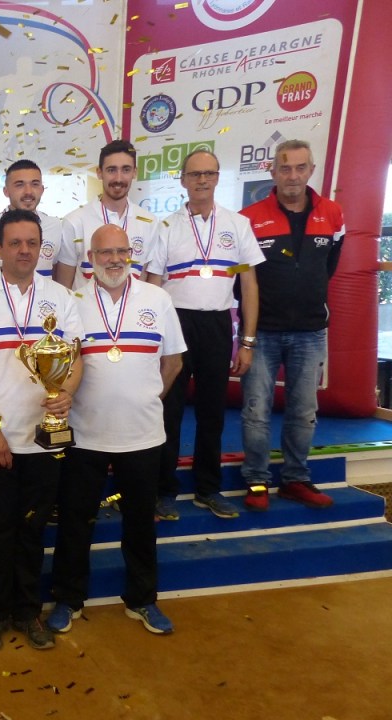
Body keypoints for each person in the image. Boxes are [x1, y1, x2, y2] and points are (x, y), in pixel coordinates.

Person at [0, 210, 84, 652]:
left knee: (32, 530)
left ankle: (28, 612)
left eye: (32, 243)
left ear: (41, 248)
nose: (24, 251)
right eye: (15, 243)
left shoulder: (61, 297)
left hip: (44, 437)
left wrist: (66, 394)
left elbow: (76, 358)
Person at [49, 225, 185, 636]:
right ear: (90, 258)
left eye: (121, 251)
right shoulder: (72, 302)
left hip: (142, 434)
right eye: (105, 252)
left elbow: (173, 362)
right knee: (76, 522)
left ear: (131, 255)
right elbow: (60, 364)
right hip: (85, 433)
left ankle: (142, 599)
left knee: (140, 522)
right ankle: (68, 598)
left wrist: (146, 397)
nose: (114, 259)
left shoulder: (158, 299)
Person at [146, 150, 264, 521]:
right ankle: (164, 491)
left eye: (209, 173)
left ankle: (207, 489)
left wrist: (247, 341)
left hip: (217, 325)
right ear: (182, 180)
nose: (202, 180)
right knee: (169, 411)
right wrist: (152, 340)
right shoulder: (166, 227)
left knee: (213, 412)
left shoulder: (237, 224)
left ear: (217, 177)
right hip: (176, 324)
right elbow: (152, 284)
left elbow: (248, 284)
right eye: (195, 174)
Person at [239, 139, 345, 510]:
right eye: (285, 168)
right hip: (262, 331)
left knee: (303, 410)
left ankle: (295, 479)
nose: (293, 176)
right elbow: (242, 279)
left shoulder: (333, 213)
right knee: (256, 409)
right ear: (273, 172)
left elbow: (329, 265)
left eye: (301, 168)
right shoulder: (249, 218)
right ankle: (256, 480)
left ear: (311, 170)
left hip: (311, 332)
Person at [56, 140, 162, 289]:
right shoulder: (74, 221)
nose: (118, 178)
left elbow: (143, 282)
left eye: (126, 170)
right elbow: (63, 288)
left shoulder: (149, 222)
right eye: (111, 170)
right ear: (99, 173)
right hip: (85, 305)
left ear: (134, 172)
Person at [0, 159, 63, 277]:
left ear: (42, 190)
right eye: (20, 185)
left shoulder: (55, 225)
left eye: (35, 184)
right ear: (6, 191)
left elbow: (57, 273)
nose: (28, 192)